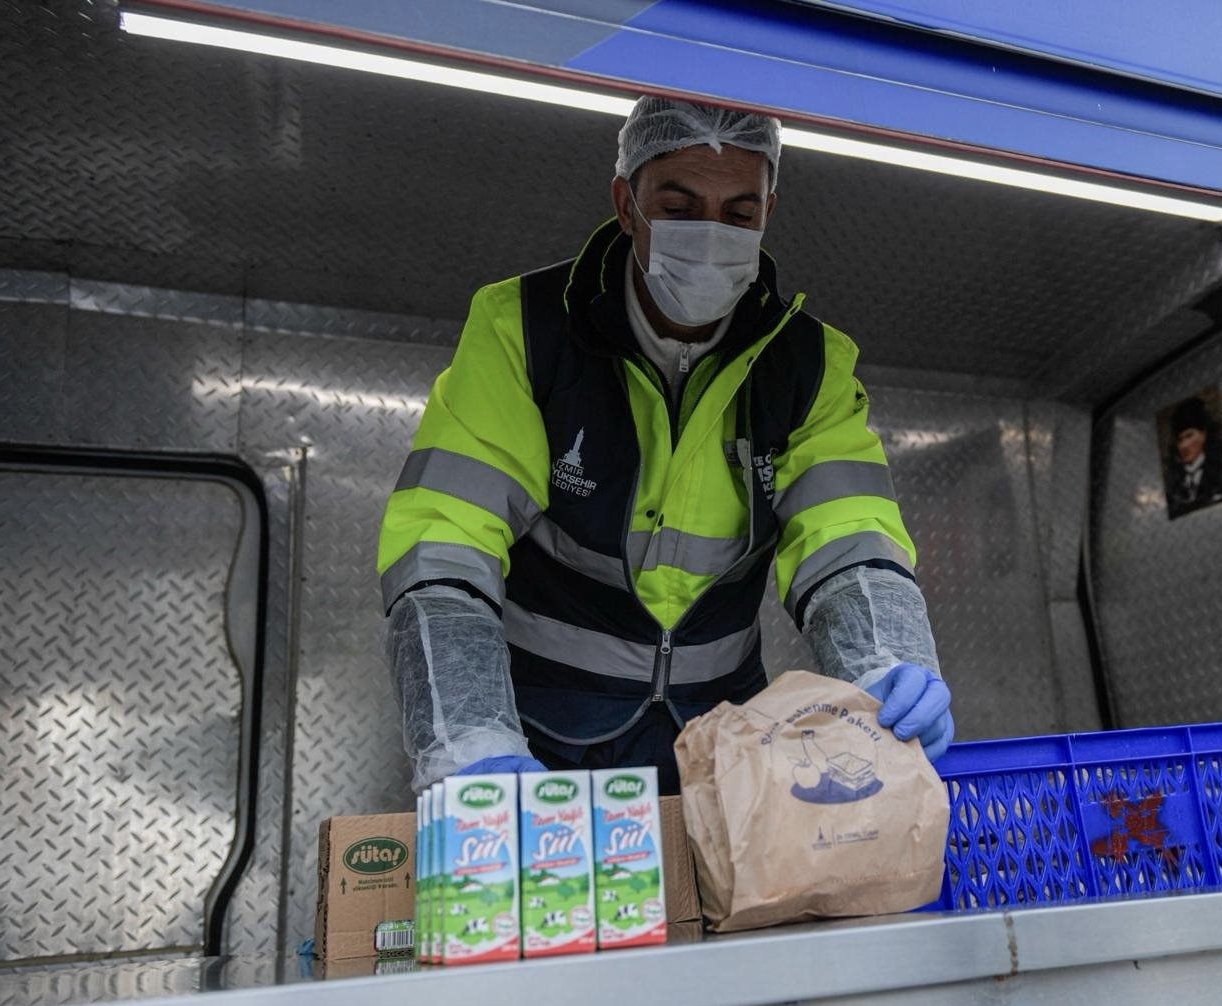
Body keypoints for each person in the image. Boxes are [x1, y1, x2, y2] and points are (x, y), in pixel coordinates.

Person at [377, 96, 953, 794]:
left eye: (739, 214)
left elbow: (848, 535)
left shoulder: (807, 365)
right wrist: (470, 735)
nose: (710, 236)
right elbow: (444, 541)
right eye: (679, 208)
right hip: (540, 738)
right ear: (627, 204)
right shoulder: (524, 330)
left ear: (768, 211)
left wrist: (886, 660)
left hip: (722, 746)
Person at [1164, 396, 1222, 518]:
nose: (1184, 445)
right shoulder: (1174, 485)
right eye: (1180, 440)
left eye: (1189, 435)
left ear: (1203, 435)